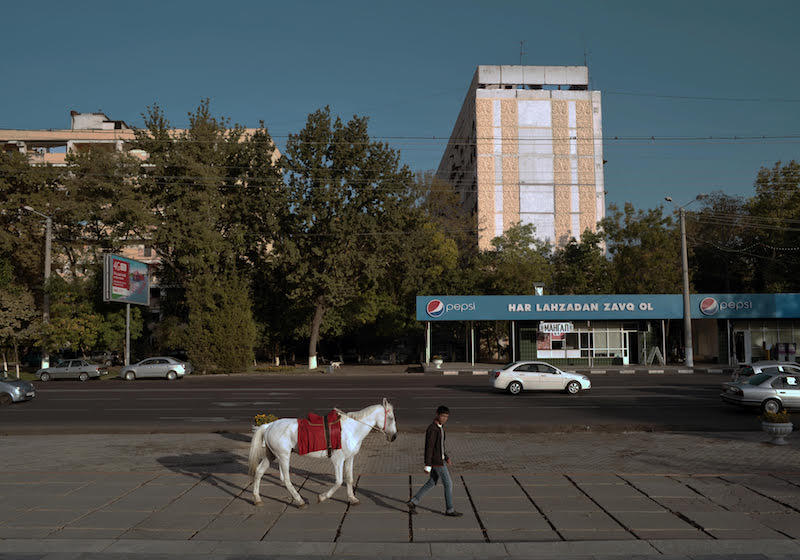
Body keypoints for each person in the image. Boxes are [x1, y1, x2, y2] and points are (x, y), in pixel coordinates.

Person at [407, 405, 463, 517]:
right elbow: (429, 448)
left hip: (440, 459)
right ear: (437, 414)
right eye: (442, 416)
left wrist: (446, 457)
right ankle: (450, 509)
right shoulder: (432, 429)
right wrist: (427, 464)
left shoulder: (440, 428)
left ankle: (413, 502)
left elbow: (440, 446)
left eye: (446, 417)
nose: (444, 418)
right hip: (436, 462)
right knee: (448, 484)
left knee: (432, 482)